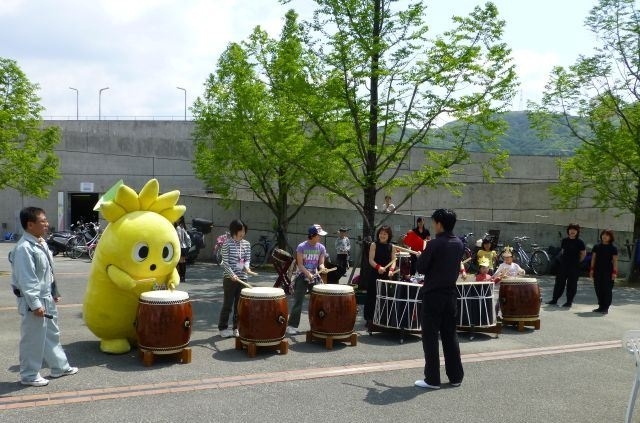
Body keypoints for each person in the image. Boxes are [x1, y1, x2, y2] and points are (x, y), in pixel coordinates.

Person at [9, 207, 78, 386]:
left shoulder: (41, 242)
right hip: (33, 300)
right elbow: (27, 280)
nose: (47, 224)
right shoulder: (24, 248)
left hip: (46, 295)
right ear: (30, 225)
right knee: (33, 338)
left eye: (46, 220)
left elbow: (49, 271)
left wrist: (54, 291)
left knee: (51, 334)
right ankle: (29, 375)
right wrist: (35, 305)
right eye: (43, 221)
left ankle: (59, 367)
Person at [414, 209, 464, 389]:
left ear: (440, 223)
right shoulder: (459, 243)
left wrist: (423, 253)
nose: (433, 225)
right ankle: (456, 376)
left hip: (433, 294)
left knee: (430, 336)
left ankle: (432, 379)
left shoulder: (434, 244)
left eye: (434, 222)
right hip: (450, 294)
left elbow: (421, 268)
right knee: (450, 335)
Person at [218, 219, 258, 338]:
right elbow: (225, 262)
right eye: (240, 230)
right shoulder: (227, 244)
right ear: (234, 231)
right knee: (228, 304)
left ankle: (236, 327)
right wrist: (232, 275)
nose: (242, 233)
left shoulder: (246, 244)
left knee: (239, 305)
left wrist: (246, 268)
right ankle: (223, 327)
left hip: (242, 279)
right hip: (230, 280)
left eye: (244, 230)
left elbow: (247, 259)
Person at [287, 224, 328, 335]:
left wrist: (322, 268)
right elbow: (300, 264)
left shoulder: (321, 248)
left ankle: (317, 324)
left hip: (315, 276)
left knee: (318, 302)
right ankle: (292, 325)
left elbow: (321, 263)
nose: (320, 237)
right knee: (298, 301)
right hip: (302, 275)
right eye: (318, 235)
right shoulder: (301, 247)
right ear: (312, 235)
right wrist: (307, 273)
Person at [364, 225, 396, 331]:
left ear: (389, 235)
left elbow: (394, 261)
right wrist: (378, 267)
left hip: (386, 275)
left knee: (384, 296)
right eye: (381, 233)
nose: (382, 235)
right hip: (375, 273)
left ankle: (382, 319)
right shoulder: (374, 245)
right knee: (372, 296)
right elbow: (371, 260)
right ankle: (369, 319)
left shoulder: (392, 246)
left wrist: (391, 270)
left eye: (385, 234)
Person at [547, 223, 586, 308]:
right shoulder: (565, 240)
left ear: (577, 231)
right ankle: (554, 299)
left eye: (574, 230)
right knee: (559, 282)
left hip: (574, 266)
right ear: (568, 230)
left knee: (572, 284)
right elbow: (563, 251)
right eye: (571, 229)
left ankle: (569, 301)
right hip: (563, 264)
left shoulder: (580, 242)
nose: (572, 231)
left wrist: (577, 262)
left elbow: (583, 254)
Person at [590, 229, 618, 314]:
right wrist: (591, 269)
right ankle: (600, 306)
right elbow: (593, 258)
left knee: (607, 289)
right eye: (603, 235)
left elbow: (615, 261)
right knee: (598, 288)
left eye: (607, 235)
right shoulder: (597, 247)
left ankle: (606, 307)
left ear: (610, 237)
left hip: (608, 271)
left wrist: (614, 272)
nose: (604, 236)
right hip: (597, 270)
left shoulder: (613, 248)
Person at [174, 217, 191, 283]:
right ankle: (183, 277)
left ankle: (181, 277)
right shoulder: (183, 226)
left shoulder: (178, 227)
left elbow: (179, 238)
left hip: (180, 246)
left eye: (177, 218)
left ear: (180, 219)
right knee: (183, 262)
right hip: (184, 247)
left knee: (181, 262)